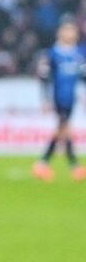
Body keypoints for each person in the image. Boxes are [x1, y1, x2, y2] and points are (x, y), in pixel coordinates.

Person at [33, 17, 86, 182]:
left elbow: (84, 75)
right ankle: (71, 166)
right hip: (59, 97)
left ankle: (45, 164)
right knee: (64, 128)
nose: (71, 33)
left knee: (63, 130)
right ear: (60, 33)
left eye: (73, 30)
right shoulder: (53, 53)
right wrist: (45, 99)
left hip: (71, 98)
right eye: (67, 30)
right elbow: (44, 77)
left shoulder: (79, 53)